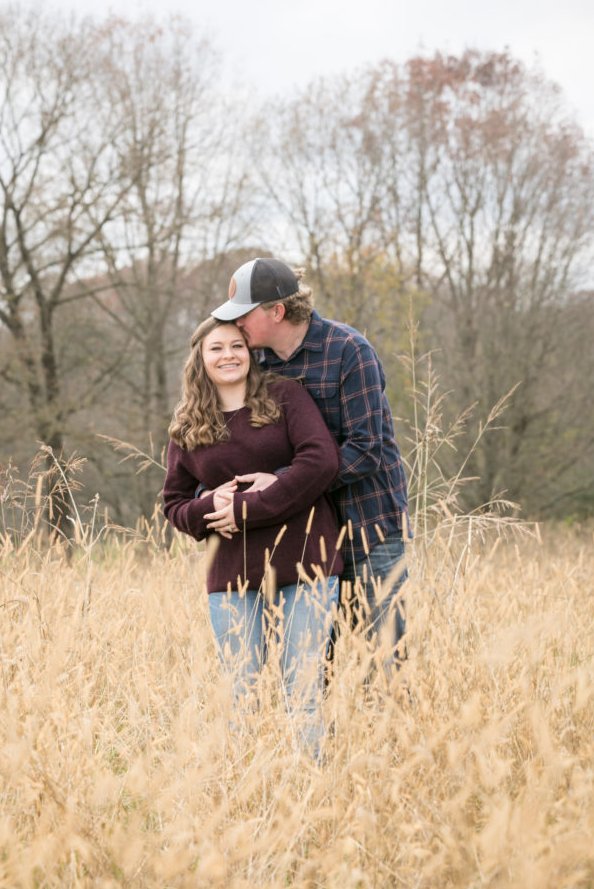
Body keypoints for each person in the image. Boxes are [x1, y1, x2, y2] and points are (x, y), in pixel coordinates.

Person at [211, 257, 411, 689]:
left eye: (242, 315)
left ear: (276, 312)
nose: (236, 327)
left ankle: (394, 752)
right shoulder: (258, 366)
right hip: (304, 542)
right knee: (317, 674)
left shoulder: (348, 351)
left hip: (367, 530)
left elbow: (367, 448)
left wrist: (287, 481)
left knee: (382, 666)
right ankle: (331, 758)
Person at [162, 316, 343, 757]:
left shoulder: (285, 397)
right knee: (240, 692)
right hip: (232, 577)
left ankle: (313, 790)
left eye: (237, 345)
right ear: (200, 360)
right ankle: (245, 793)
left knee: (303, 687)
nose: (228, 355)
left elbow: (320, 461)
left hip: (305, 562)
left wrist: (243, 510)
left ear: (250, 352)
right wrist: (210, 508)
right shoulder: (188, 424)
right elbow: (174, 505)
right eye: (216, 348)